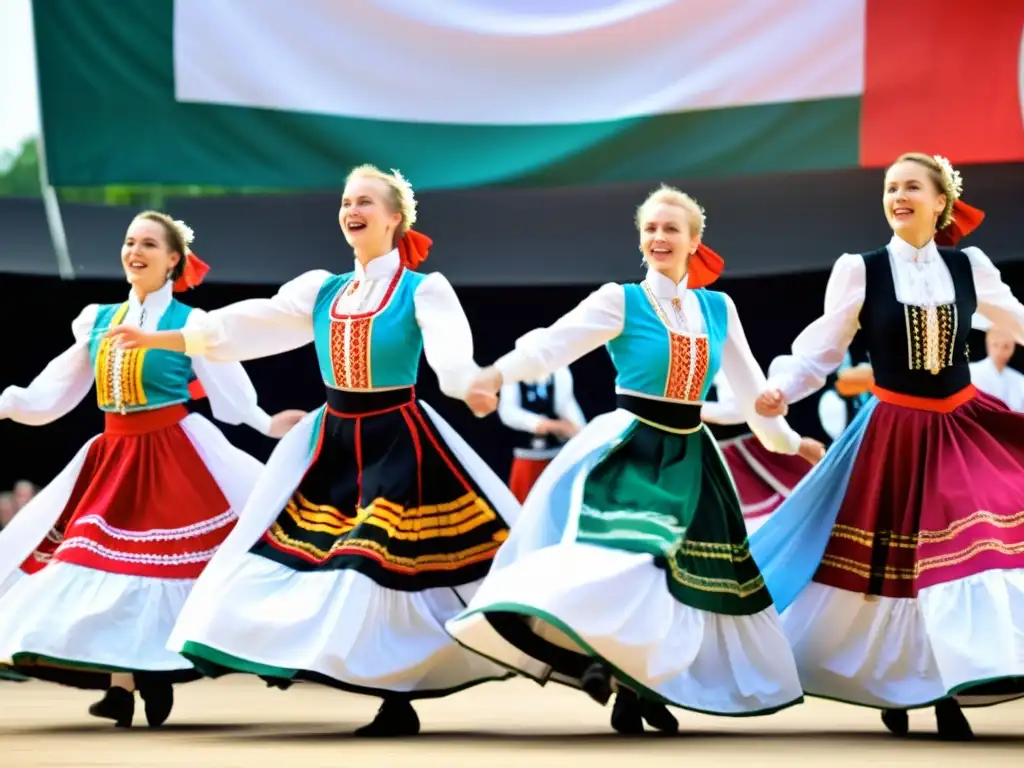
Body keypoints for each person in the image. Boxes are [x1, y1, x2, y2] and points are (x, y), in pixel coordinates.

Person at [107, 165, 520, 738]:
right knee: (291, 557)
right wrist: (163, 338)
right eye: (347, 201)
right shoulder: (322, 289)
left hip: (397, 441)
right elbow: (246, 325)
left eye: (365, 202)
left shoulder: (422, 289)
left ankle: (395, 698)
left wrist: (468, 384)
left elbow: (451, 356)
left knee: (373, 563)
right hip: (333, 444)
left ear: (395, 218)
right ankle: (328, 667)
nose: (352, 210)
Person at [446, 185, 824, 734]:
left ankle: (641, 685)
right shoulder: (621, 300)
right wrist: (494, 374)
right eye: (650, 229)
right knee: (632, 558)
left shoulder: (718, 308)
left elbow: (752, 395)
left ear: (694, 241)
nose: (658, 237)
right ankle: (610, 666)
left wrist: (790, 441)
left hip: (692, 456)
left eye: (671, 229)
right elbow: (552, 345)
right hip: (633, 448)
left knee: (679, 580)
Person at [750, 153, 1024, 740]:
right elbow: (821, 349)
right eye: (890, 187)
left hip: (959, 424)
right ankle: (901, 683)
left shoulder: (969, 266)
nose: (898, 196)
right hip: (894, 431)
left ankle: (948, 687)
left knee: (963, 542)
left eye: (911, 187)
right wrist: (781, 389)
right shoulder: (862, 270)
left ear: (940, 202)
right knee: (895, 567)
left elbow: (1018, 319)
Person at [0, 211, 298, 727]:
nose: (135, 251)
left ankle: (154, 673)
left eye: (149, 244)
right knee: (102, 566)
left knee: (157, 569)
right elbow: (54, 390)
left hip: (172, 455)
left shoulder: (190, 323)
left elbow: (229, 390)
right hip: (113, 457)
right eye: (130, 242)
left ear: (173, 260)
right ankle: (122, 686)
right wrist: (10, 403)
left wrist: (266, 423)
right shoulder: (97, 320)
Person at [498, 366, 586, 502]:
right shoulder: (513, 370)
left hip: (559, 456)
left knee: (562, 503)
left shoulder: (559, 370)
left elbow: (566, 405)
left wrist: (580, 432)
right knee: (523, 504)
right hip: (527, 457)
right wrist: (544, 424)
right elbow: (508, 412)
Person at [968, 315, 1024, 411]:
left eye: (1006, 346)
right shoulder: (971, 372)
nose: (999, 351)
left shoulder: (1020, 380)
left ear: (1013, 347)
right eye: (995, 344)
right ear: (988, 343)